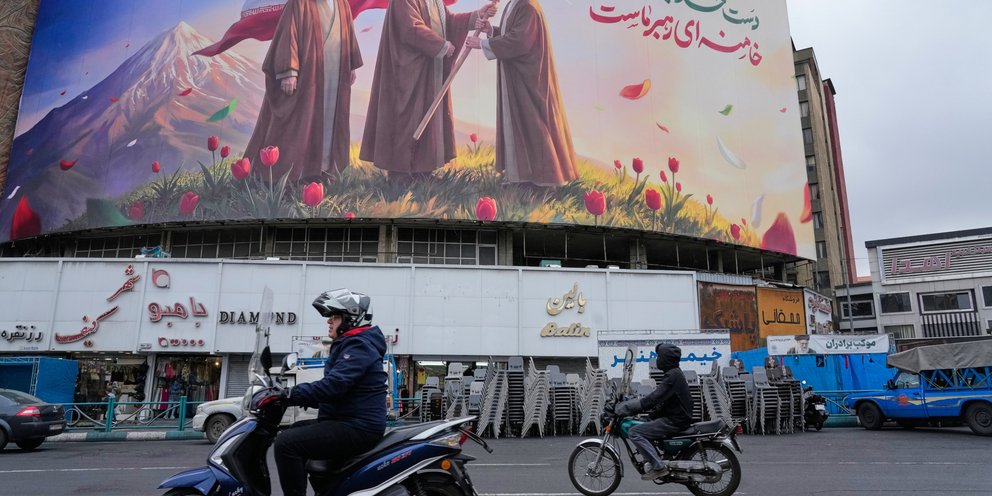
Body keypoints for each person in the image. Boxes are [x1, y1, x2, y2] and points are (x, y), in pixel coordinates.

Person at [360, 1, 497, 179]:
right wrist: (441, 45)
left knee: (427, 118)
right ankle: (400, 174)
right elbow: (410, 28)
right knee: (406, 119)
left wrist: (476, 16)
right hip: (408, 73)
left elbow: (448, 21)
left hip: (428, 70)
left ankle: (422, 171)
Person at [274, 288, 387, 496]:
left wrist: (291, 394)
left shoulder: (359, 345)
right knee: (291, 432)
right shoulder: (353, 344)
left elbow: (335, 385)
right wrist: (298, 397)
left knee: (285, 444)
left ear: (351, 319)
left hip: (358, 426)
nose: (329, 321)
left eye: (335, 317)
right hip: (348, 420)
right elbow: (342, 392)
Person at [244, 0, 363, 182]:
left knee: (329, 121)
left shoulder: (342, 4)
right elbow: (288, 33)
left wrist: (351, 65)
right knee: (300, 124)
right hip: (308, 76)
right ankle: (291, 176)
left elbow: (348, 34)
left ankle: (323, 171)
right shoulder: (299, 3)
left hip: (335, 74)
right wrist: (289, 70)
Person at [466, 0, 579, 188]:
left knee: (534, 125)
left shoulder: (528, 6)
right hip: (518, 76)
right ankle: (523, 178)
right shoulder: (515, 3)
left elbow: (520, 41)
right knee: (520, 125)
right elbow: (511, 33)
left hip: (529, 79)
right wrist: (491, 31)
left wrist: (482, 43)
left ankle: (545, 183)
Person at [614, 344, 692, 480]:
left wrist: (628, 408)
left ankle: (658, 467)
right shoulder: (674, 374)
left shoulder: (672, 376)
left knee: (634, 432)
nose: (657, 360)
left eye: (659, 357)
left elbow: (653, 399)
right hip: (677, 416)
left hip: (675, 420)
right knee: (644, 424)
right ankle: (658, 459)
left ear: (665, 359)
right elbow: (665, 401)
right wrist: (651, 416)